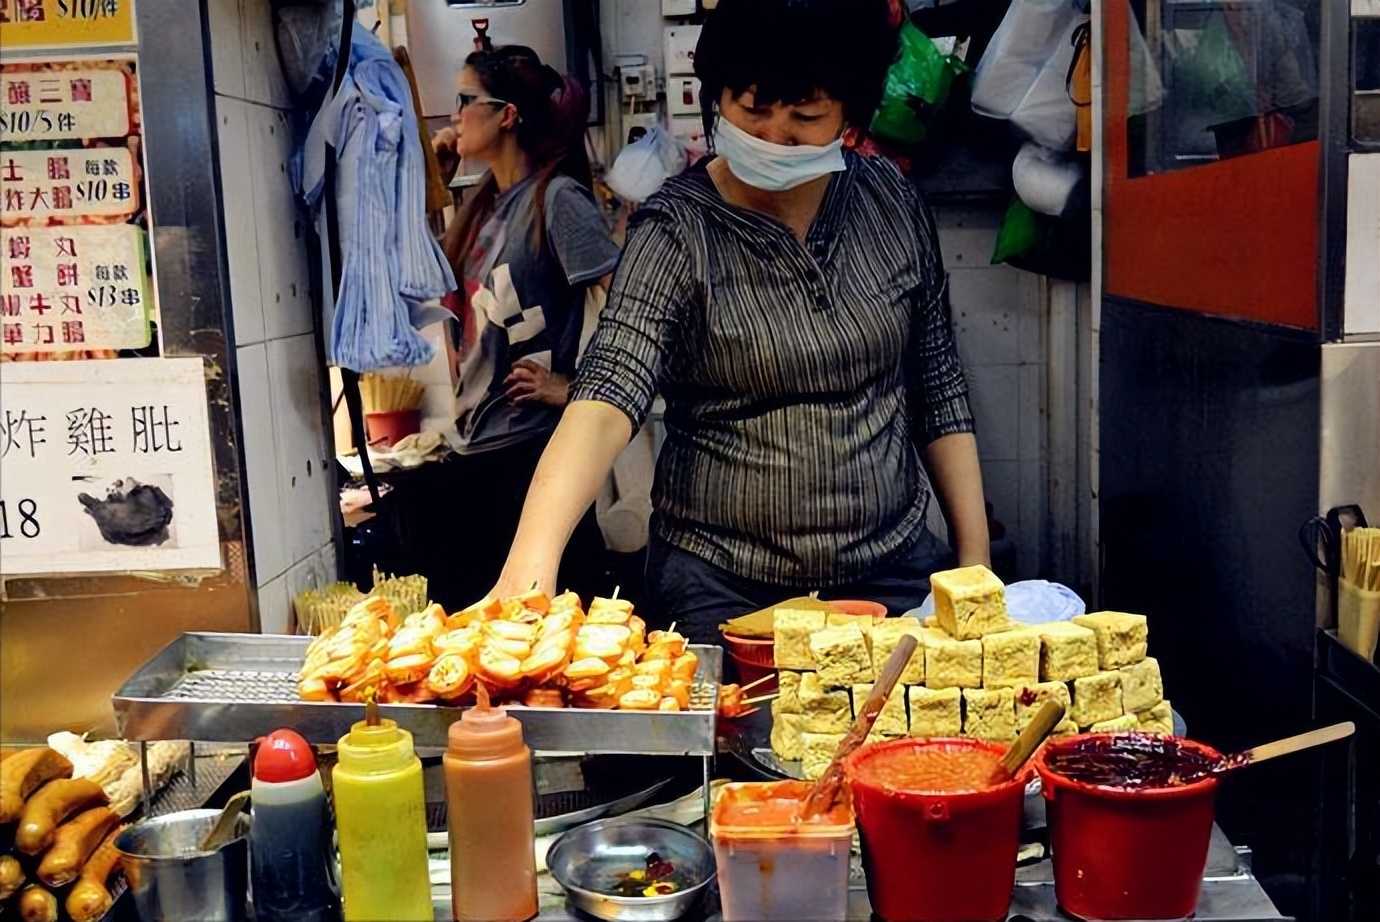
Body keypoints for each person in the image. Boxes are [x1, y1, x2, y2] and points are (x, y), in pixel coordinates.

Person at [492, 0, 990, 644]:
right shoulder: (677, 228)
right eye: (752, 110)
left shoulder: (890, 203)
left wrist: (974, 565)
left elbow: (937, 385)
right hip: (721, 587)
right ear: (717, 97)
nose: (773, 138)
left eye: (805, 117)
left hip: (889, 573)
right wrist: (530, 564)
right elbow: (611, 390)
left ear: (850, 119)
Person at [432, 45, 619, 609]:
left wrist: (575, 389)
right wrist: (433, 186)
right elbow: (431, 294)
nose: (453, 116)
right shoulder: (483, 203)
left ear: (506, 114)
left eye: (465, 101)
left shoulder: (556, 199)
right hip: (475, 451)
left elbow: (634, 309)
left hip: (532, 453)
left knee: (552, 634)